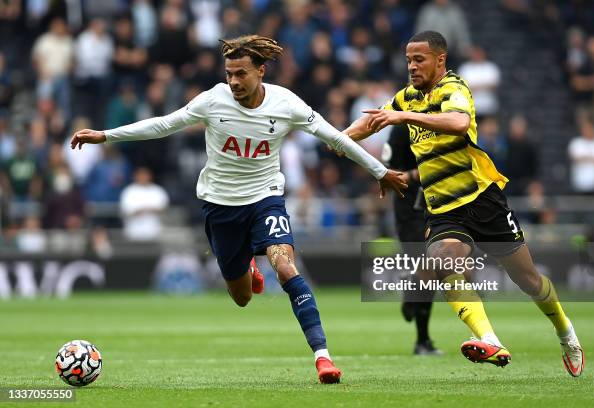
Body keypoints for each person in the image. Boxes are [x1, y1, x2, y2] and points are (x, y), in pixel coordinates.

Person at [70, 35, 408, 384]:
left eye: (241, 74)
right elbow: (162, 124)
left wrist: (380, 172)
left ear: (261, 71)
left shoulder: (286, 103)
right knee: (242, 297)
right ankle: (247, 260)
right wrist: (105, 135)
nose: (233, 81)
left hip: (266, 198)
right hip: (221, 206)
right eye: (229, 73)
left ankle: (323, 357)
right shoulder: (212, 100)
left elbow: (335, 138)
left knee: (286, 267)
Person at [343, 31, 584, 377]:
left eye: (419, 59)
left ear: (440, 60)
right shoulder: (405, 98)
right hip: (442, 207)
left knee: (528, 280)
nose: (411, 66)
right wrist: (334, 136)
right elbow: (369, 122)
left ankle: (566, 333)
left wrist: (404, 118)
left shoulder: (454, 88)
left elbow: (459, 123)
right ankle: (489, 339)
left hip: (482, 200)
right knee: (442, 263)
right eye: (408, 59)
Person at [383, 124, 442, 356]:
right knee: (427, 267)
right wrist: (422, 173)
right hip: (410, 210)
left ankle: (422, 336)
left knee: (433, 270)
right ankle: (422, 340)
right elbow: (390, 173)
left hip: (437, 206)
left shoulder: (441, 120)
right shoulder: (400, 130)